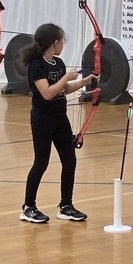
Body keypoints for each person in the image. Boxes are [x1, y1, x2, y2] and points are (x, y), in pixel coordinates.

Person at [18, 23, 95, 223]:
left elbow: (63, 90)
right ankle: (28, 207)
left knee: (70, 161)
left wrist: (83, 83)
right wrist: (66, 78)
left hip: (60, 118)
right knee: (41, 163)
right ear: (54, 42)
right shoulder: (36, 65)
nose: (63, 44)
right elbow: (47, 92)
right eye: (62, 40)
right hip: (42, 119)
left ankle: (66, 205)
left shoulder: (58, 63)